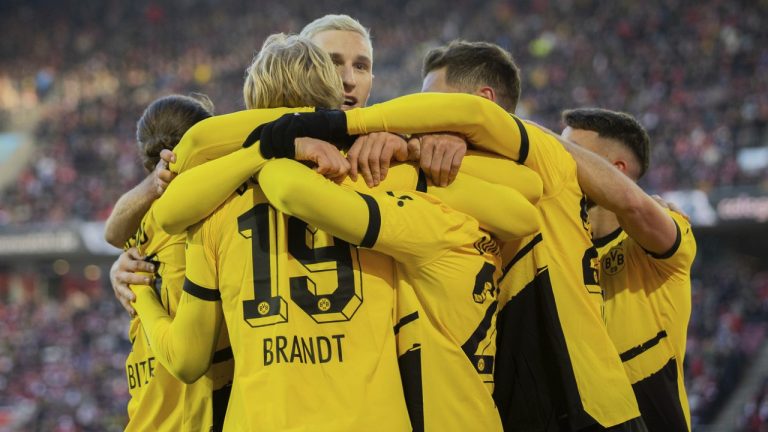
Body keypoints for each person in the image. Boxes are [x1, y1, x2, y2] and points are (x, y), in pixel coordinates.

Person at [561, 108, 696, 431]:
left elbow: (634, 205)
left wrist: (533, 138)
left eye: (572, 154)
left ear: (616, 169)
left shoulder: (666, 237)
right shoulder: (555, 248)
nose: (559, 163)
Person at [121, 93, 233, 432]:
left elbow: (115, 228)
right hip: (195, 416)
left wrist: (137, 290)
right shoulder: (207, 217)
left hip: (144, 417)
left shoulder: (140, 222)